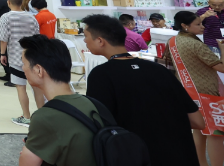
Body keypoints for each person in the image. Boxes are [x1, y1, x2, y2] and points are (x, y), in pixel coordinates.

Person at [83, 14, 202, 166]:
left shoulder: (101, 75)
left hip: (137, 156)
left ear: (100, 41)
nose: (84, 41)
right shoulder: (159, 70)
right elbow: (198, 121)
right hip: (180, 155)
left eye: (86, 36)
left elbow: (100, 126)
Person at [18, 34, 104, 166]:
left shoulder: (44, 117)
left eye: (24, 63)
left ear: (39, 70)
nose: (23, 68)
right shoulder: (93, 104)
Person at [170, 11, 224, 166]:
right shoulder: (195, 44)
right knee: (216, 133)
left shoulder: (173, 41)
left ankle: (201, 163)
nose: (202, 27)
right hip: (206, 93)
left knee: (199, 130)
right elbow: (222, 67)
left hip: (188, 91)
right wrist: (222, 49)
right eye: (198, 24)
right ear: (185, 26)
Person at [0, 0, 41, 127]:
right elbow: (37, 36)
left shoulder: (6, 17)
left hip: (16, 57)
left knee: (21, 87)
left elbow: (3, 38)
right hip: (33, 57)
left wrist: (2, 54)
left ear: (8, 2)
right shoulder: (31, 17)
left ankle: (26, 117)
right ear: (22, 3)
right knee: (37, 88)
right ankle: (43, 117)